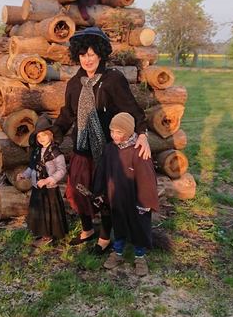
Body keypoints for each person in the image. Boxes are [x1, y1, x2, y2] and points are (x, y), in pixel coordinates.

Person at [52, 26, 151, 254]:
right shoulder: (74, 83)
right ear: (77, 55)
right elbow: (67, 113)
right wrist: (54, 133)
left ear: (100, 55)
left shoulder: (112, 79)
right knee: (78, 191)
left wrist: (142, 134)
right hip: (81, 148)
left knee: (105, 194)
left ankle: (105, 237)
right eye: (83, 55)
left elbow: (131, 108)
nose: (87, 60)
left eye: (92, 54)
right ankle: (87, 230)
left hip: (107, 150)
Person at [93, 112, 159, 276]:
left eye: (119, 132)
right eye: (112, 131)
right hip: (116, 198)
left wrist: (145, 203)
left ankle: (140, 257)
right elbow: (102, 171)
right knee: (119, 226)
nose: (114, 135)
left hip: (136, 201)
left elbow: (147, 178)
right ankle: (118, 253)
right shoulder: (110, 149)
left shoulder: (139, 151)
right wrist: (100, 192)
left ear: (129, 132)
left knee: (138, 228)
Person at [20, 117, 68, 246]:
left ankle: (48, 236)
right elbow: (32, 167)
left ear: (51, 135)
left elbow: (61, 170)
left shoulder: (55, 152)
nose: (41, 138)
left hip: (49, 189)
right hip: (37, 187)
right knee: (39, 210)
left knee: (48, 212)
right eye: (39, 136)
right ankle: (41, 231)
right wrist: (24, 175)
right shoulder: (36, 151)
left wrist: (48, 180)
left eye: (44, 135)